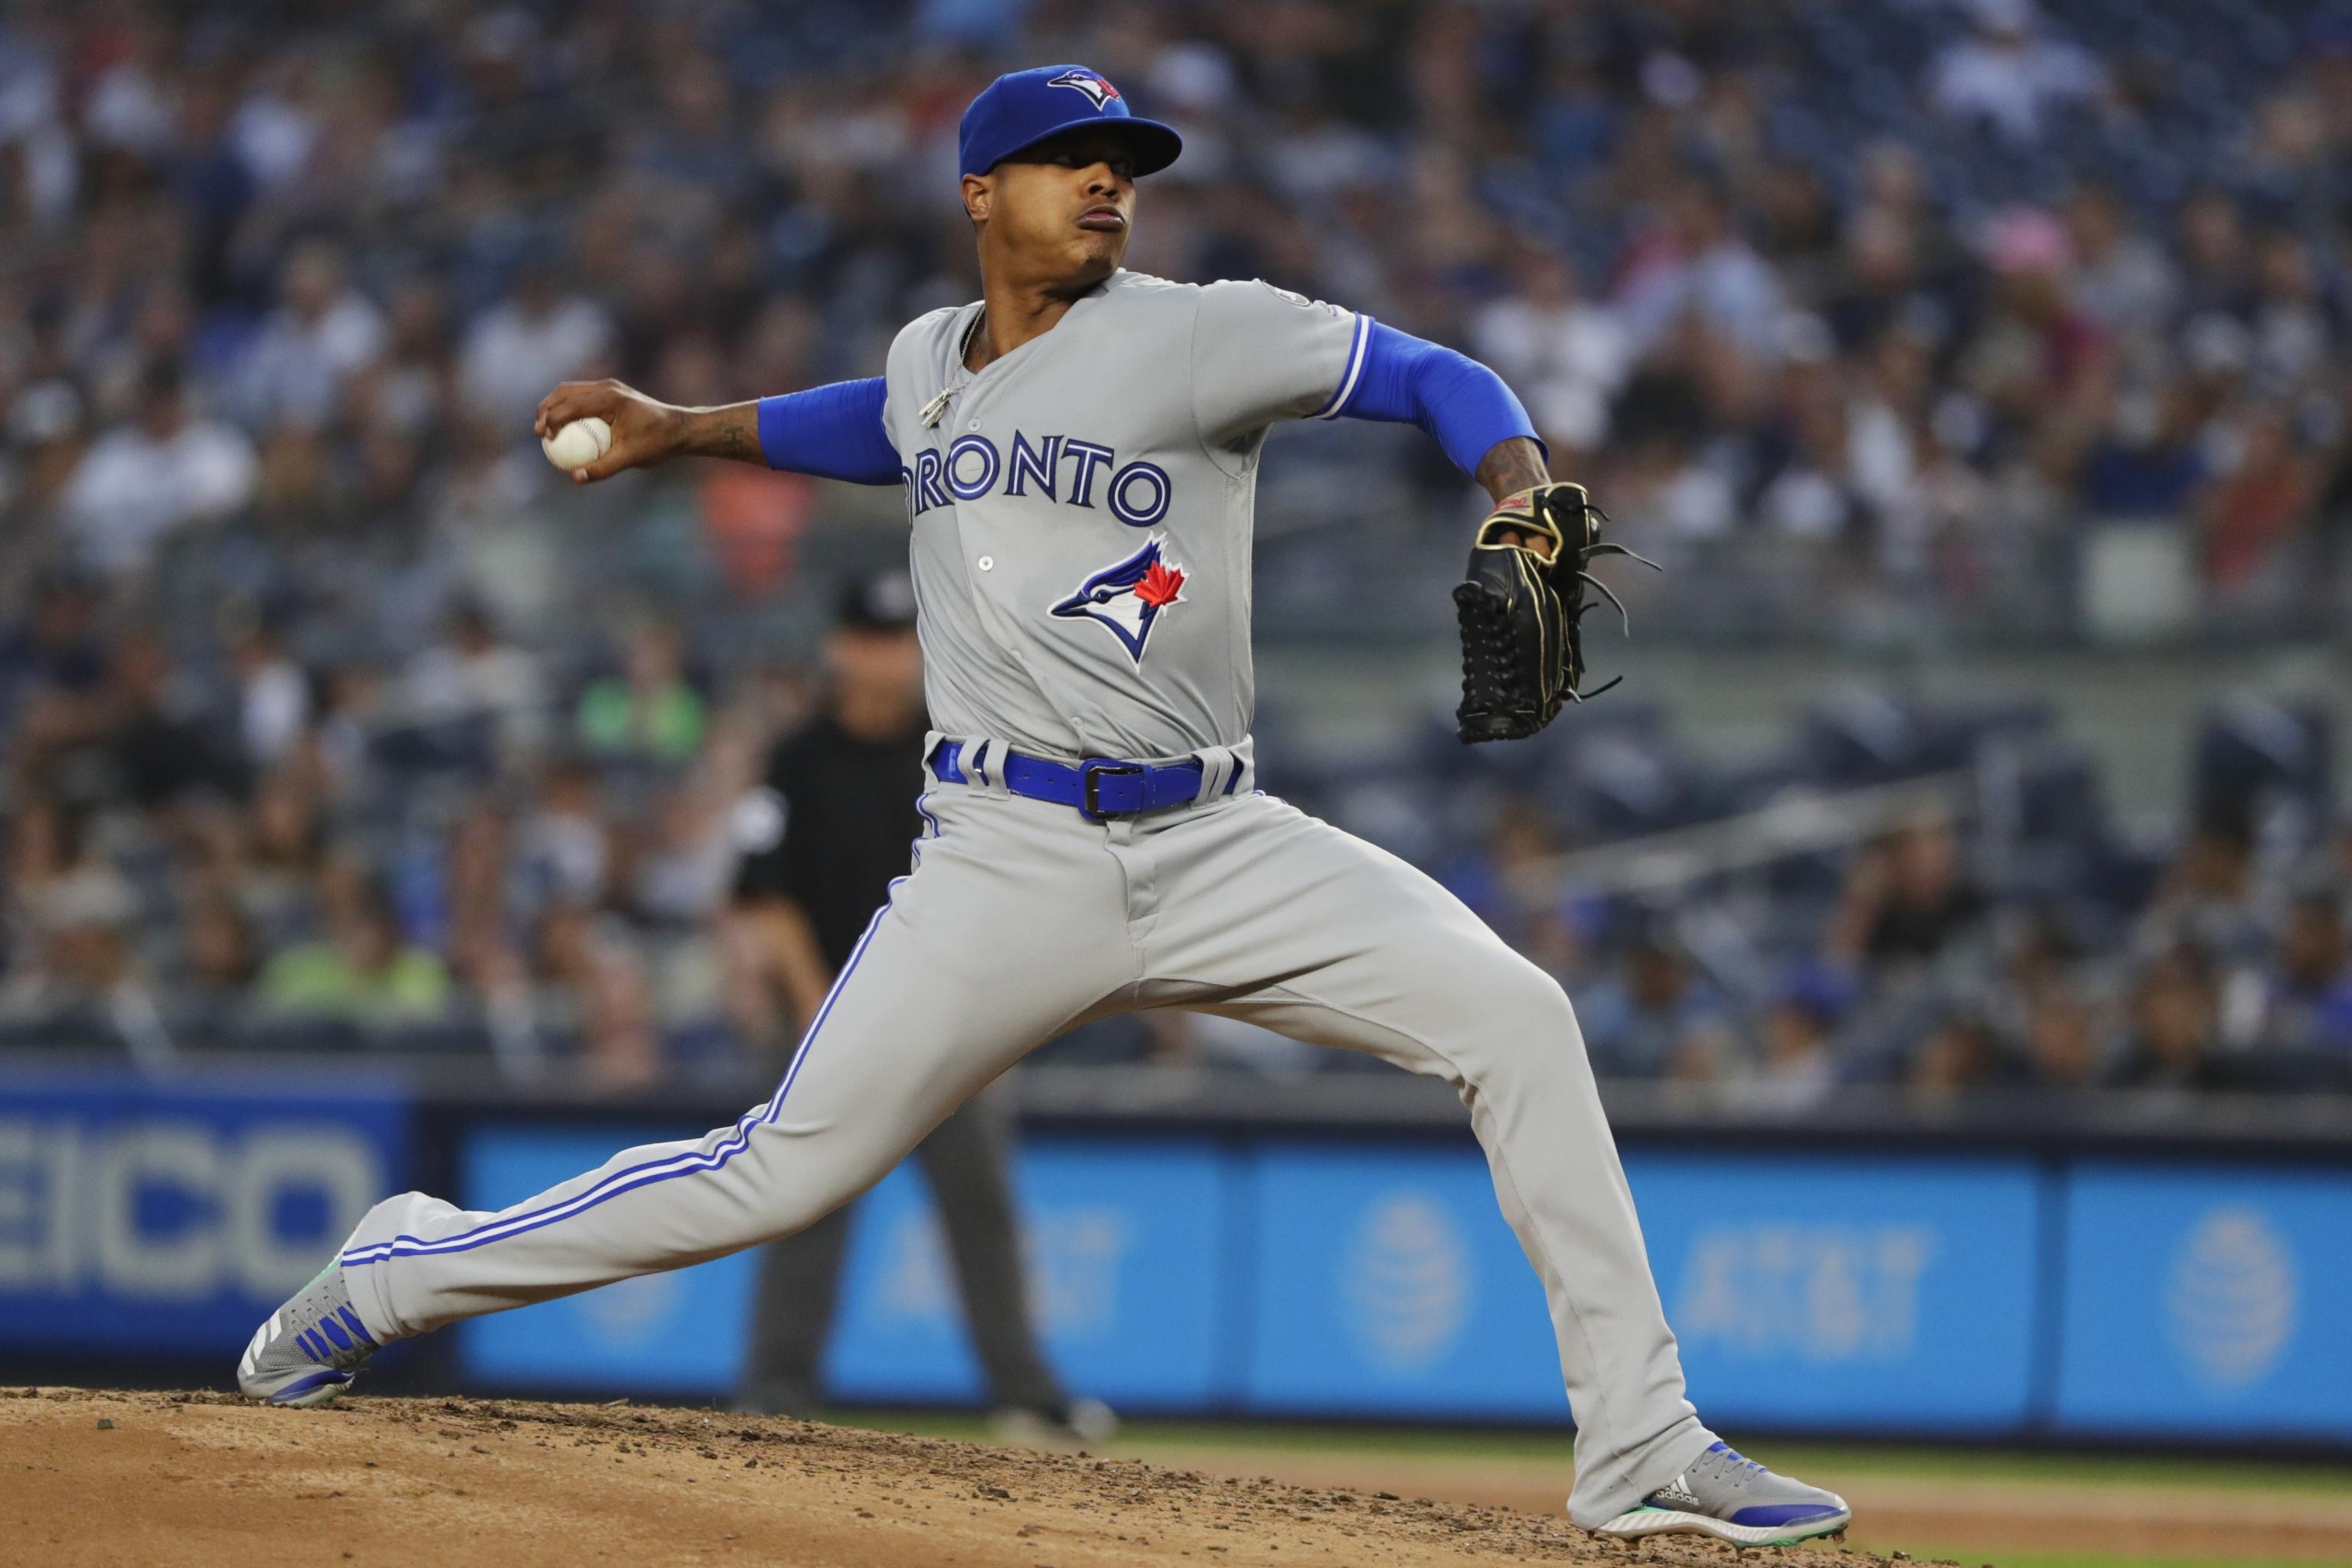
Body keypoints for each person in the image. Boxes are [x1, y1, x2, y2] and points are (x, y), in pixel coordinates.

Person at [239, 64, 1850, 1548]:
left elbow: (1436, 370)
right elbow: (875, 425)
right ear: (975, 195)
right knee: (778, 1173)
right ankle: (402, 1272)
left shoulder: (1201, 330)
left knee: (1518, 1014)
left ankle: (1642, 1442)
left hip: (1219, 837)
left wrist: (1517, 492)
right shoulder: (929, 365)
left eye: (1120, 165)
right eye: (1062, 162)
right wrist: (683, 431)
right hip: (1005, 856)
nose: (1102, 184)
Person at [729, 570, 1106, 1444]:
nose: (888, 658)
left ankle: (1029, 1392)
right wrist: (812, 1000)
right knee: (800, 1202)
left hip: (946, 1023)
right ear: (840, 647)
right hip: (824, 1019)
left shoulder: (954, 752)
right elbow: (764, 892)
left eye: (902, 640)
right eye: (872, 639)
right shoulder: (798, 756)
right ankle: (776, 1388)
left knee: (983, 1208)